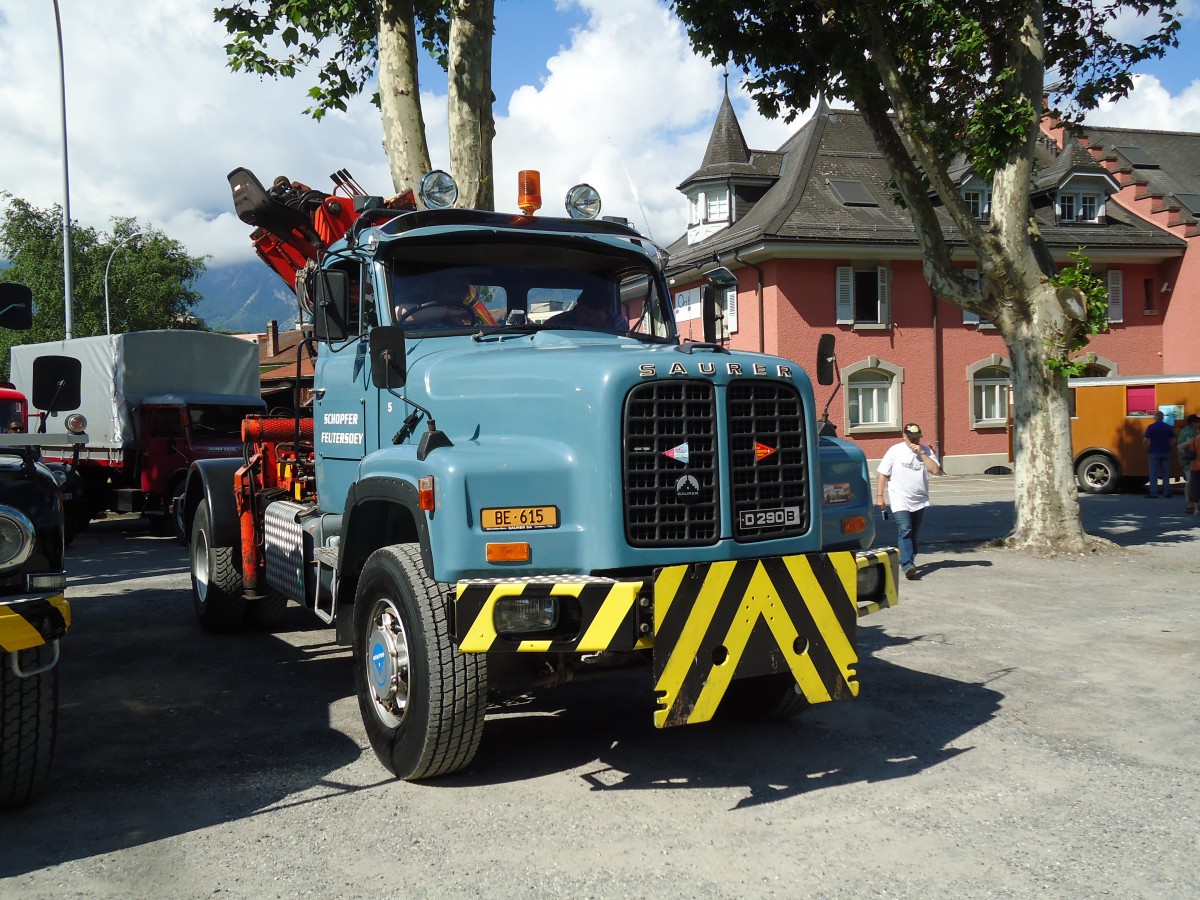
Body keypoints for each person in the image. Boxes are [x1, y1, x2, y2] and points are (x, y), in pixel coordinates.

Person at [877, 422, 941, 580]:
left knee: (913, 534)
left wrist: (924, 454)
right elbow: (883, 473)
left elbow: (935, 470)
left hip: (919, 500)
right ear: (903, 437)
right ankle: (907, 565)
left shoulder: (925, 451)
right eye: (911, 438)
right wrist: (879, 495)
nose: (914, 441)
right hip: (900, 499)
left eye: (917, 438)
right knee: (905, 529)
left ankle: (908, 559)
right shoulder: (895, 451)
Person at [546, 288, 628, 334]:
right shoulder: (555, 324)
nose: (590, 320)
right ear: (577, 308)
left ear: (607, 315)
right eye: (586, 313)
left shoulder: (617, 323)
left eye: (597, 317)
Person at [1142, 410, 1175, 499]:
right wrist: (1169, 448)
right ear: (1163, 417)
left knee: (1154, 474)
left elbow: (1145, 440)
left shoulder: (1151, 427)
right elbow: (1173, 440)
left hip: (1154, 452)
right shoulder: (1168, 427)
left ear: (1155, 417)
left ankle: (1154, 493)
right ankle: (1167, 492)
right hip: (1166, 452)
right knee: (1166, 473)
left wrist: (1147, 449)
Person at [1182, 413, 1200, 514]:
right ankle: (1190, 505)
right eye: (1197, 422)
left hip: (1194, 466)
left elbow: (1182, 447)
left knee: (1194, 487)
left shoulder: (1194, 438)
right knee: (1190, 484)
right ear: (1193, 423)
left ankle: (1195, 509)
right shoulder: (1191, 434)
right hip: (1193, 465)